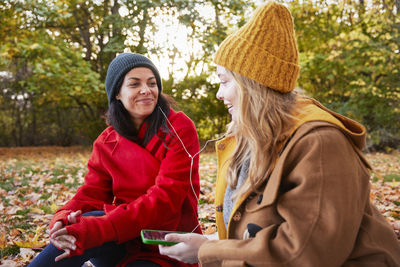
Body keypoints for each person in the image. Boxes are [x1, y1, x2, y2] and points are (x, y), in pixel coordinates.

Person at [159, 1, 400, 266]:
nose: (219, 93)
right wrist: (211, 242)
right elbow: (258, 228)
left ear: (252, 86)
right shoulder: (255, 139)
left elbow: (308, 253)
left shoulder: (319, 143)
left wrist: (207, 253)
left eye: (225, 81)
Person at [28, 53, 202, 267]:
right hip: (121, 238)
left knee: (91, 223)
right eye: (134, 84)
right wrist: (62, 217)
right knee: (77, 228)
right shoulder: (106, 141)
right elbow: (91, 193)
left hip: (167, 243)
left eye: (152, 83)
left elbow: (165, 201)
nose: (146, 90)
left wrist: (98, 228)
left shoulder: (179, 128)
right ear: (117, 93)